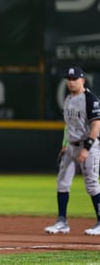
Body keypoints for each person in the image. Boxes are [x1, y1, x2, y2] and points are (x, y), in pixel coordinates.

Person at [44, 66, 100, 236]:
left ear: (82, 80)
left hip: (88, 146)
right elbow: (69, 126)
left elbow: (96, 125)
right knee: (62, 183)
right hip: (71, 147)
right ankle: (62, 222)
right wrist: (64, 145)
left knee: (91, 184)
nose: (71, 82)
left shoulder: (90, 99)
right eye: (69, 79)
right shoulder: (68, 98)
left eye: (74, 79)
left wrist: (87, 148)